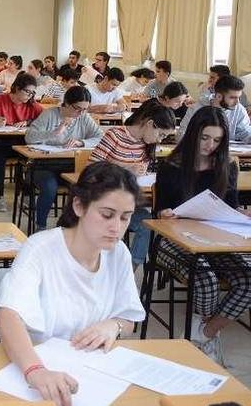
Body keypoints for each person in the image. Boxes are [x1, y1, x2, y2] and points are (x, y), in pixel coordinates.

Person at [0, 161, 146, 405]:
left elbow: (129, 319)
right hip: (35, 367)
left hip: (91, 373)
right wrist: (36, 371)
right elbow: (8, 317)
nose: (116, 228)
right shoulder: (40, 248)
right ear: (79, 206)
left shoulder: (119, 254)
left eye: (125, 218)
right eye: (107, 215)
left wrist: (113, 326)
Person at [153, 107, 251, 363]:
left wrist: (242, 214)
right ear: (193, 134)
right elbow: (159, 211)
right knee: (205, 279)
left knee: (248, 278)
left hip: (215, 238)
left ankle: (205, 332)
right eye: (205, 138)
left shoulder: (226, 164)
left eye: (217, 140)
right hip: (174, 240)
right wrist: (165, 214)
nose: (210, 145)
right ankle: (204, 338)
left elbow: (230, 205)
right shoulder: (171, 166)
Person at [90, 100, 176, 267]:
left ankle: (130, 269)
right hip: (104, 200)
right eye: (161, 134)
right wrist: (125, 167)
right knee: (114, 227)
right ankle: (101, 266)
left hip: (129, 202)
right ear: (150, 124)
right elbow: (91, 168)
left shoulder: (146, 144)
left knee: (149, 224)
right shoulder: (114, 135)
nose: (160, 139)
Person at [25, 86, 104, 231]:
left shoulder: (84, 117)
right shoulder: (49, 115)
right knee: (50, 188)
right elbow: (29, 137)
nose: (81, 113)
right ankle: (40, 227)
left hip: (70, 165)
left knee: (86, 187)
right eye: (77, 108)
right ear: (67, 103)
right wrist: (53, 132)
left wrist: (82, 142)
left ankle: (69, 227)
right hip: (44, 166)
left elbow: (101, 137)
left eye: (85, 109)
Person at [0, 73, 44, 211]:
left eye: (33, 93)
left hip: (23, 143)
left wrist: (28, 121)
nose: (30, 96)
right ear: (17, 88)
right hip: (1, 142)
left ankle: (26, 194)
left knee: (35, 159)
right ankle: (0, 196)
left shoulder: (32, 105)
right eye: (27, 91)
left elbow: (46, 120)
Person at [180, 75, 251, 142]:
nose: (237, 102)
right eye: (232, 97)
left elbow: (245, 132)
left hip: (229, 153)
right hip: (199, 152)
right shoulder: (196, 108)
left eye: (239, 97)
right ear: (218, 96)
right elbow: (182, 135)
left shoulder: (239, 109)